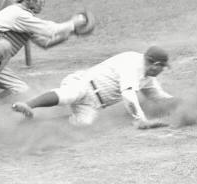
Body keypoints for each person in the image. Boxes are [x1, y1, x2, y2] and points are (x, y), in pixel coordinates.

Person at [0, 0, 89, 98]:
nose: (42, 1)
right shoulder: (18, 13)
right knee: (4, 44)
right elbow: (50, 29)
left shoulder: (27, 19)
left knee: (22, 92)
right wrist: (74, 23)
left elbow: (45, 43)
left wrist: (71, 32)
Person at [11, 46, 175, 129]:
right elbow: (128, 95)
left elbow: (158, 96)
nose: (163, 70)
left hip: (93, 104)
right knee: (69, 94)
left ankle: (34, 125)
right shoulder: (132, 64)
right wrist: (141, 119)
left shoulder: (148, 77)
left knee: (82, 125)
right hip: (84, 84)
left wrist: (180, 104)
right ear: (155, 64)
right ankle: (28, 105)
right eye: (163, 67)